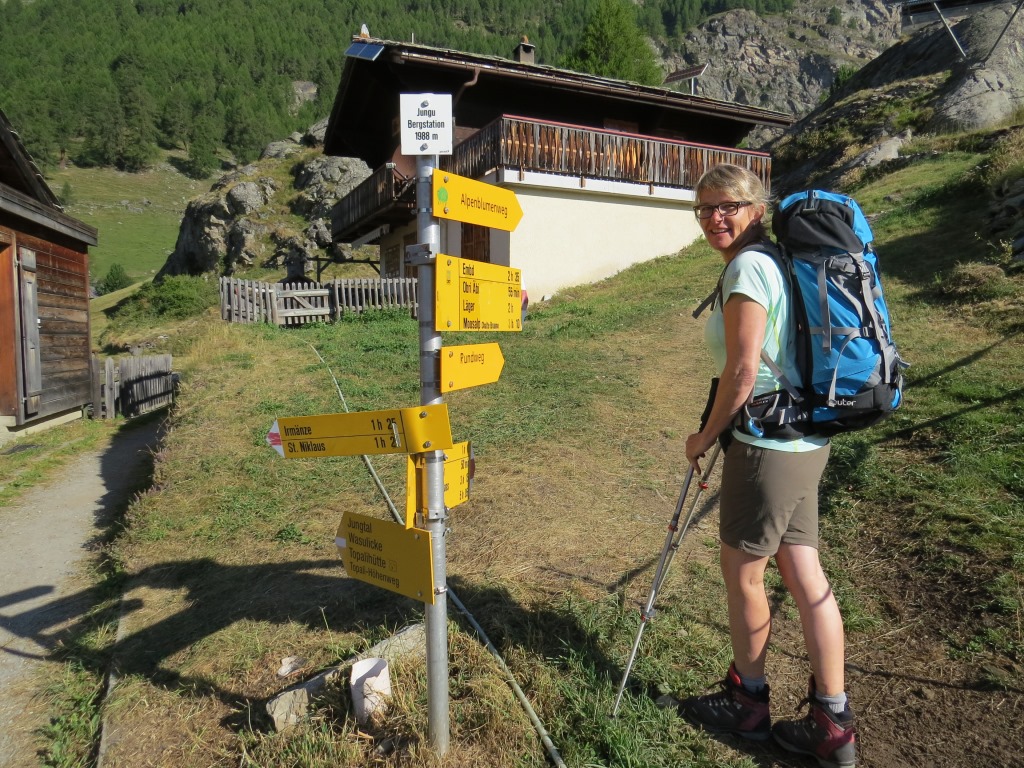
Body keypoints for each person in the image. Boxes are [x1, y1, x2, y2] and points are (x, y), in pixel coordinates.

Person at [677, 163, 857, 768]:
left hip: (766, 448)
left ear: (756, 209)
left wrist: (705, 437)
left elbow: (743, 369)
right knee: (805, 575)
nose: (714, 218)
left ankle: (747, 703)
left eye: (727, 206)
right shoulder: (778, 261)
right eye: (704, 209)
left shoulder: (750, 268)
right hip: (805, 441)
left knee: (744, 575)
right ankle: (832, 721)